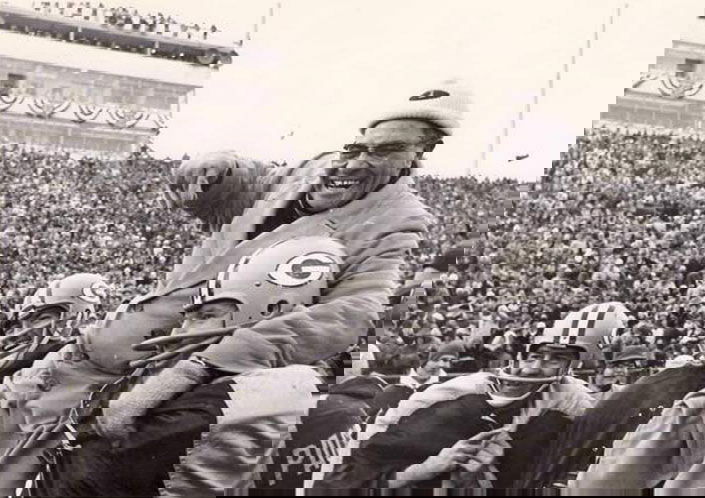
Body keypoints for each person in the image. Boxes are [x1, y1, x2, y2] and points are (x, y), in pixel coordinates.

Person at [11, 82, 468, 496]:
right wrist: (226, 173)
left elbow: (350, 312)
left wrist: (200, 366)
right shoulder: (316, 172)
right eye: (358, 146)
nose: (357, 160)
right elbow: (248, 202)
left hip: (171, 365)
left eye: (384, 152)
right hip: (106, 345)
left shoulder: (396, 218)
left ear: (418, 155)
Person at [307, 302, 625, 493]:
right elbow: (375, 447)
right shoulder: (471, 388)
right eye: (539, 354)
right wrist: (428, 467)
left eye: (556, 359)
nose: (538, 365)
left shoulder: (562, 402)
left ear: (570, 368)